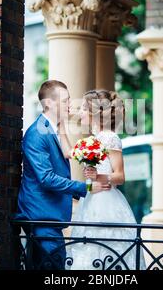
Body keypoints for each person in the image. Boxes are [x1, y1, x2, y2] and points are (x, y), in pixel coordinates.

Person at [15, 80, 111, 270]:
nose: (70, 105)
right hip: (41, 217)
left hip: (49, 217)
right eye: (66, 101)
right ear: (49, 103)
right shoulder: (37, 133)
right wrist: (86, 188)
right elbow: (46, 178)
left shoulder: (55, 129)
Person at [59, 89, 146, 270]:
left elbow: (120, 176)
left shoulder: (110, 138)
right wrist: (61, 128)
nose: (81, 112)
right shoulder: (93, 140)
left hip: (107, 201)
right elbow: (69, 153)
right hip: (91, 199)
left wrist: (98, 176)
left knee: (106, 250)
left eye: (84, 108)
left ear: (94, 113)